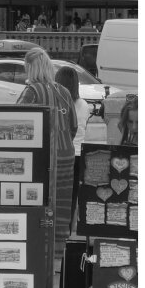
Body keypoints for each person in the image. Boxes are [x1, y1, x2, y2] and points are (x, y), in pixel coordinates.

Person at [17, 48, 78, 259]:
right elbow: (73, 126)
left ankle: (38, 252)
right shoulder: (64, 91)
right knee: (60, 205)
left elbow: (15, 124)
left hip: (43, 157)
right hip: (66, 154)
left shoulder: (32, 91)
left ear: (30, 68)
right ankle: (57, 252)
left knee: (39, 203)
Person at [54, 65, 91, 231]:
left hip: (60, 153)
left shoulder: (57, 103)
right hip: (78, 154)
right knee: (72, 195)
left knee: (56, 194)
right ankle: (68, 228)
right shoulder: (84, 105)